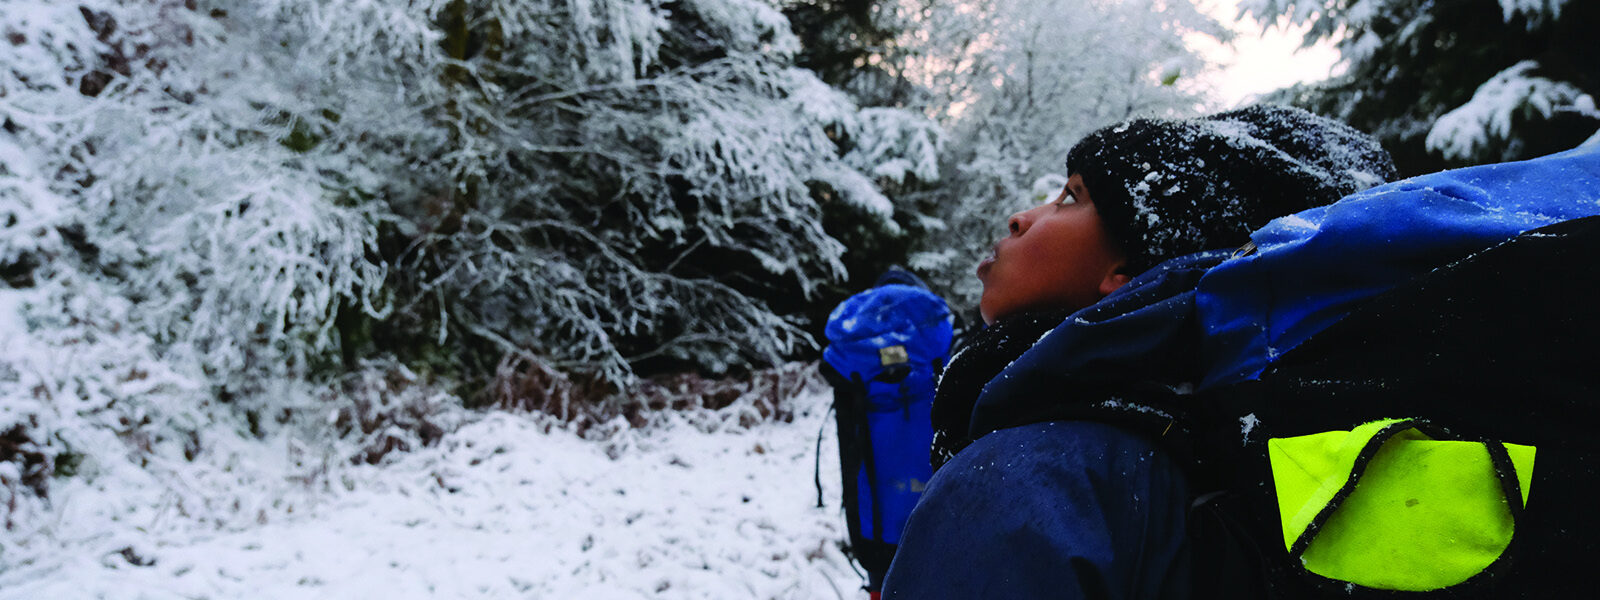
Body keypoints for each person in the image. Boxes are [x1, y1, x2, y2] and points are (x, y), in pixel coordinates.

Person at [880, 104, 1396, 598]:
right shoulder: (1209, 460)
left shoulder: (1025, 478)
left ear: (1128, 271)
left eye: (1071, 198)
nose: (1020, 218)